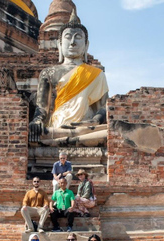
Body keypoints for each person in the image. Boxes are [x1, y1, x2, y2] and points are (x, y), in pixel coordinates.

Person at [29, 11, 108, 146]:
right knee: (34, 132)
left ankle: (68, 138)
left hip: (86, 127)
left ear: (86, 45)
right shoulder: (48, 73)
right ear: (60, 45)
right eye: (68, 37)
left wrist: (95, 121)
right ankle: (67, 138)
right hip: (57, 126)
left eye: (78, 37)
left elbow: (104, 107)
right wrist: (37, 121)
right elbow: (42, 108)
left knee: (109, 132)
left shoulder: (97, 73)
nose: (72, 42)